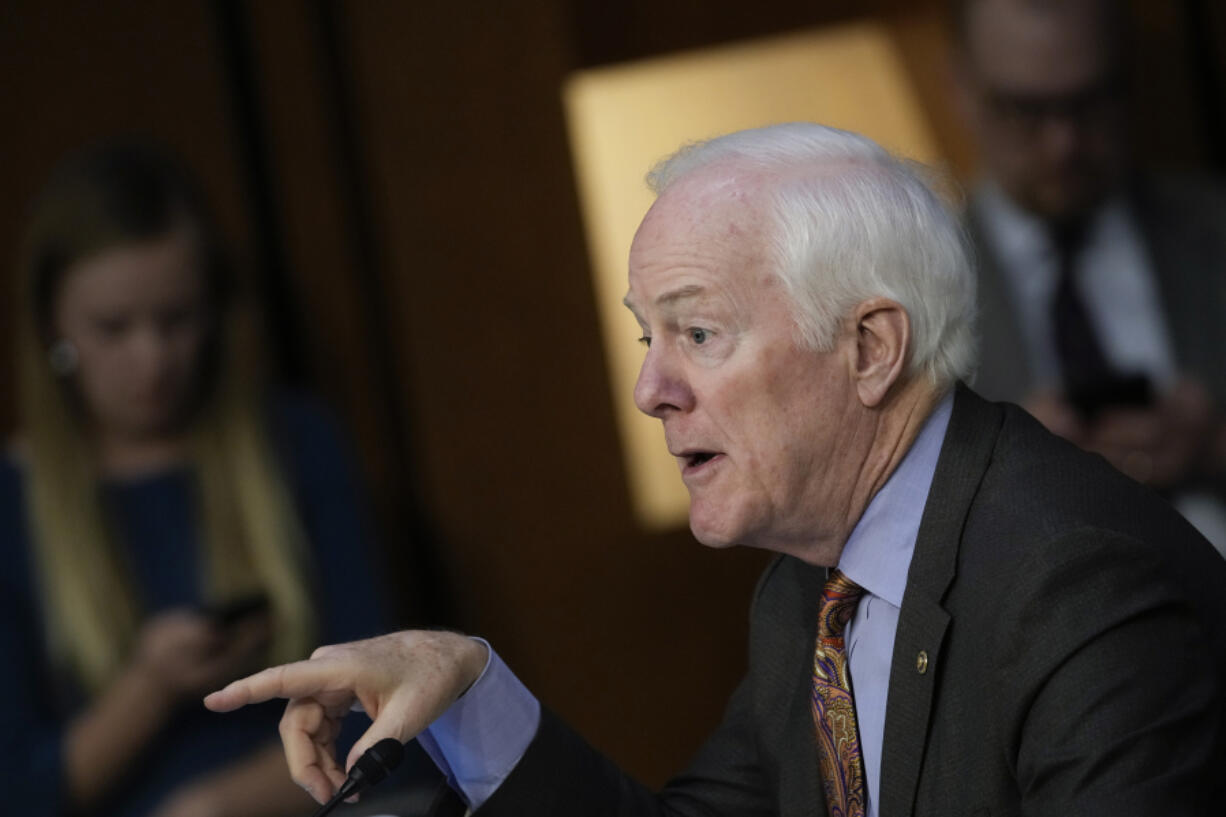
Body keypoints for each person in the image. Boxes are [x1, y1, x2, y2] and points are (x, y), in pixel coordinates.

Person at [206, 123, 1226, 815]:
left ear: (868, 348)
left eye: (696, 331)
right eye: (647, 337)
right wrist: (465, 682)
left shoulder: (1077, 585)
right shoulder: (813, 586)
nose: (652, 389)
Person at [1, 142, 392, 817]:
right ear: (51, 327)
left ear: (214, 311)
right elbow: (17, 790)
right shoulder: (15, 500)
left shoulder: (294, 442)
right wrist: (149, 687)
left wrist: (211, 808)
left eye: (176, 319)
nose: (152, 359)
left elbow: (384, 705)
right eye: (113, 327)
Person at [952, 0, 1226, 552]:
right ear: (960, 87)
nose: (1064, 144)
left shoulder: (1214, 228)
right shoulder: (912, 294)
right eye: (1024, 111)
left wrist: (1210, 445)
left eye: (1089, 103)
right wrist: (1000, 474)